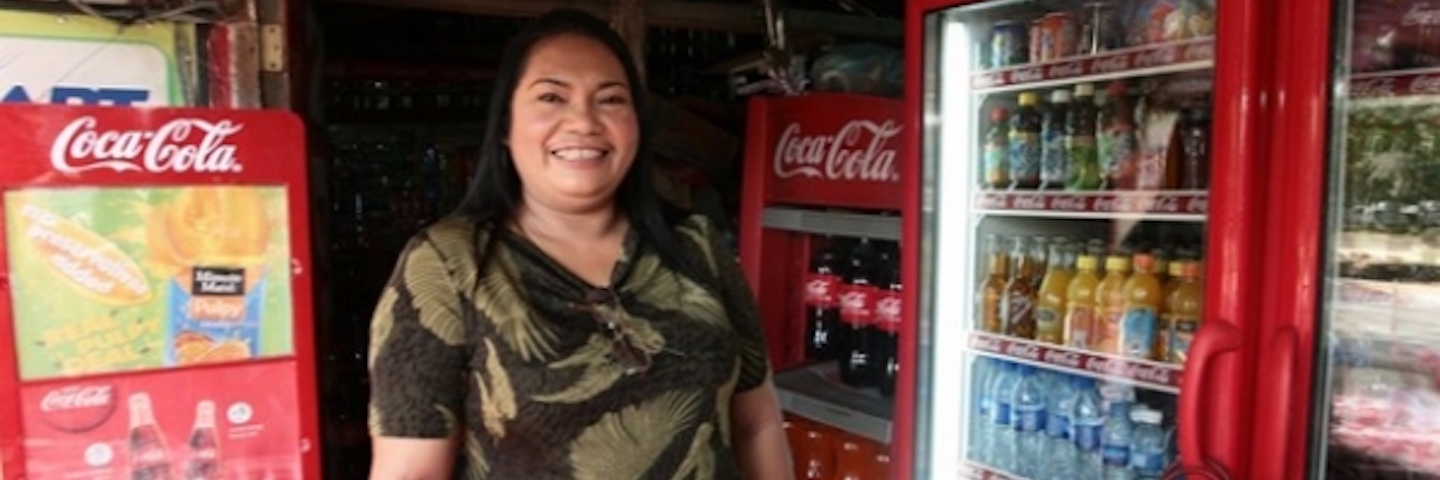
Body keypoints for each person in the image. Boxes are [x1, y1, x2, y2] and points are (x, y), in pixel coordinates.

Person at [365, 8, 791, 480]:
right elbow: (409, 472)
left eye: (610, 100)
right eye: (551, 97)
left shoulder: (695, 245)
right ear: (505, 126)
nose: (584, 122)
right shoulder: (447, 265)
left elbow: (757, 424)